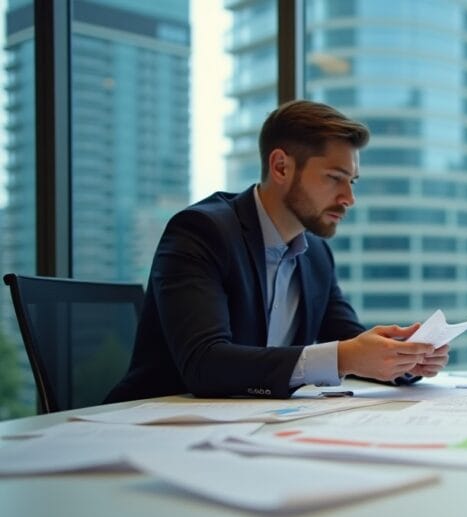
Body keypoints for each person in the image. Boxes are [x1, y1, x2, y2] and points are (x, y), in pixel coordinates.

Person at [106, 100, 448, 403]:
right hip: (152, 425)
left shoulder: (315, 256)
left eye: (352, 181)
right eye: (334, 177)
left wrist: (404, 359)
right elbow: (204, 363)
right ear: (281, 167)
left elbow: (349, 342)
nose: (348, 198)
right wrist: (346, 357)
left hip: (252, 427)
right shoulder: (201, 232)